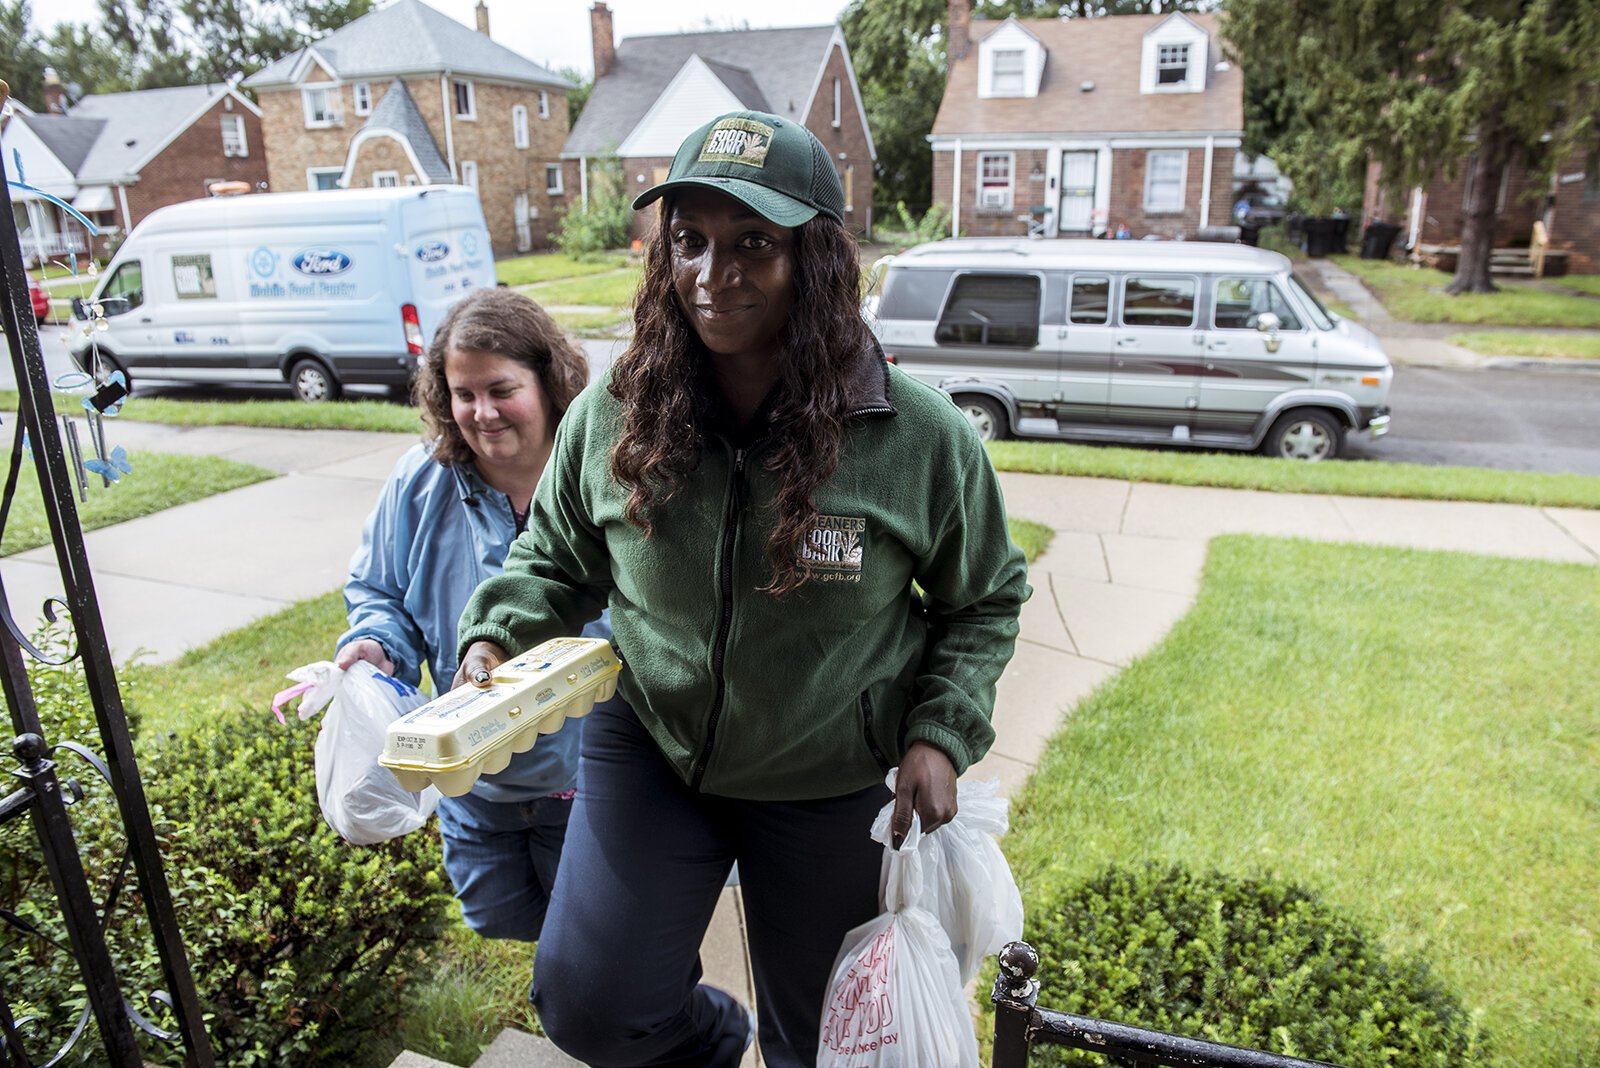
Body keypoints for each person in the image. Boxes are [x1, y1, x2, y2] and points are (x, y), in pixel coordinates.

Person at [455, 110, 1030, 1067]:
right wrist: (496, 638)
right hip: (655, 750)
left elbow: (983, 599)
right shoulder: (616, 413)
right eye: (690, 241)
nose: (713, 276)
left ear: (818, 258)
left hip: (829, 776)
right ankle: (712, 1040)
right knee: (590, 1006)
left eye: (753, 243)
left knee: (824, 1046)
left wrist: (941, 728)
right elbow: (555, 558)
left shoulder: (915, 435)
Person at [336, 286, 604, 942]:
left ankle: (698, 1030)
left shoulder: (602, 476)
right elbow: (378, 590)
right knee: (504, 923)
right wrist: (377, 643)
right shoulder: (419, 482)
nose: (482, 413)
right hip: (473, 785)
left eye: (501, 389)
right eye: (463, 393)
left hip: (593, 780)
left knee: (599, 957)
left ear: (550, 383)